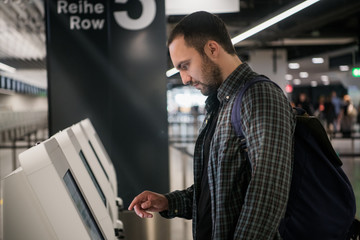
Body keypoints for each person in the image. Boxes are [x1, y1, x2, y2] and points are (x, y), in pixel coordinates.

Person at [128, 11, 296, 239]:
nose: (184, 78)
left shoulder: (259, 96)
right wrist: (168, 202)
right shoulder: (221, 105)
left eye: (185, 65)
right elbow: (217, 194)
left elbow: (267, 196)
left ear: (212, 49)